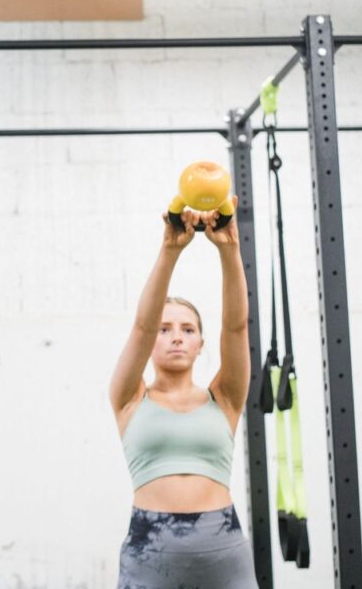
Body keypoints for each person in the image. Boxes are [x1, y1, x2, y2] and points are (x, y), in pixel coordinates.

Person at [109, 203, 257, 588]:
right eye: (166, 329)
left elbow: (237, 328)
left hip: (223, 548)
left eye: (188, 329)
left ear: (200, 343)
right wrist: (170, 250)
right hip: (149, 552)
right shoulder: (129, 397)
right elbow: (141, 326)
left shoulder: (224, 397)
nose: (176, 335)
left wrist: (229, 248)